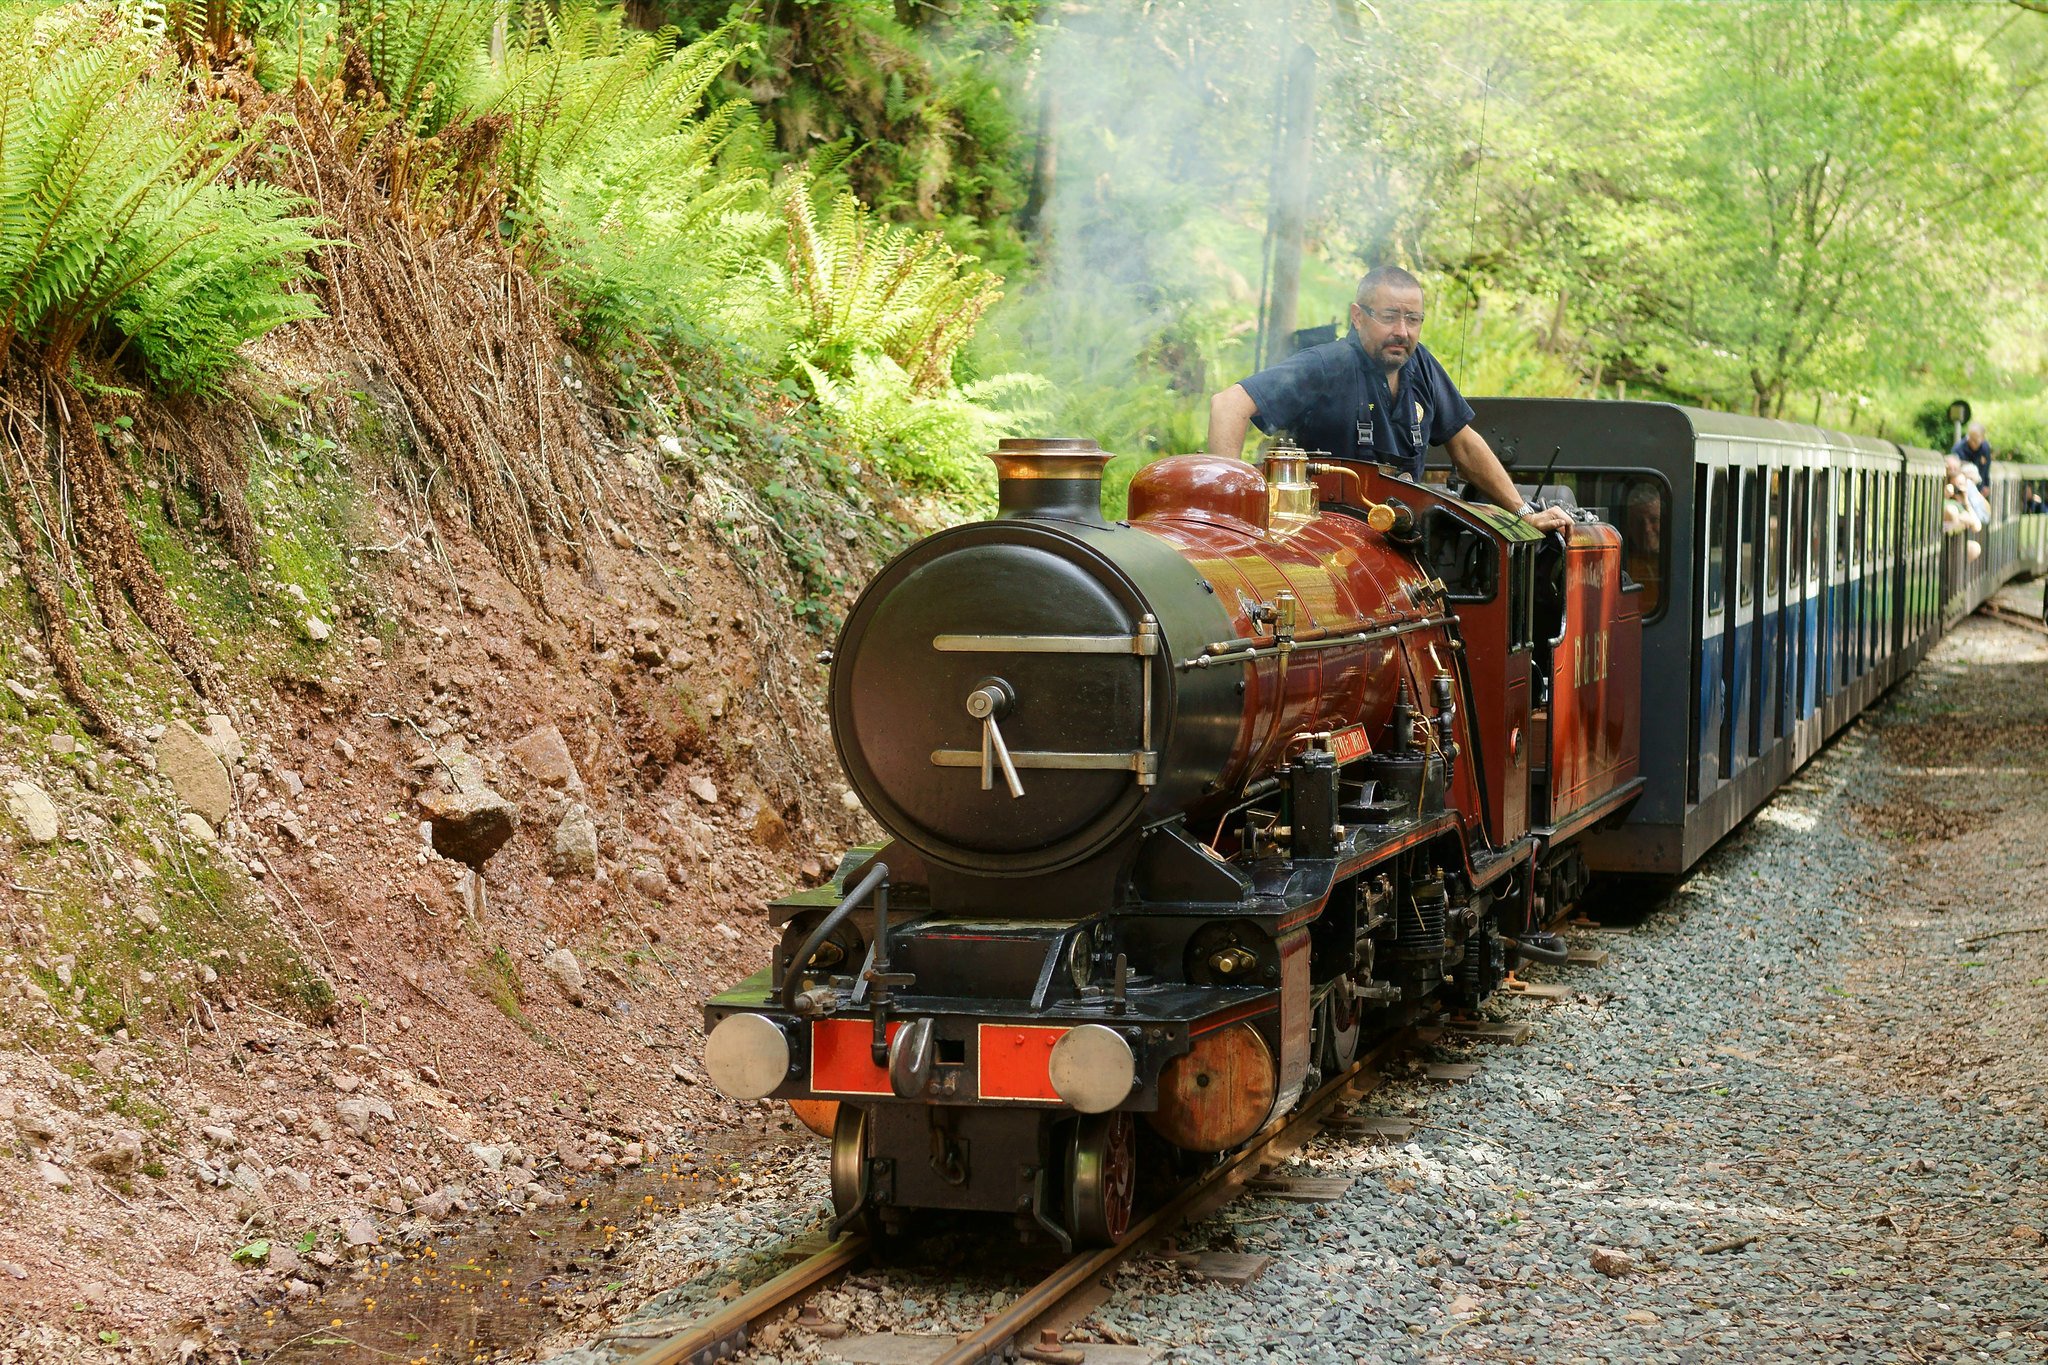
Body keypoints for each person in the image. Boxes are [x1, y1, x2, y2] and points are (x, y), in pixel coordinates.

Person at [1206, 265, 1575, 535]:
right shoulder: (1325, 365)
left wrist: (1523, 513)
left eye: (1413, 319)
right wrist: (1230, 512)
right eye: (1389, 317)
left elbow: (1464, 445)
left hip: (1400, 544)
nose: (1402, 331)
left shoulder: (1421, 365)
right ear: (1358, 317)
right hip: (1322, 543)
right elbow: (1228, 405)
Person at [1953, 421, 1992, 487]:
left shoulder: (1985, 448)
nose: (1972, 443)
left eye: (1975, 440)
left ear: (1982, 438)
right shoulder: (1958, 449)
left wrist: (1986, 485)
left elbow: (1986, 467)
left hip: (1980, 486)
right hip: (1963, 485)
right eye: (1970, 439)